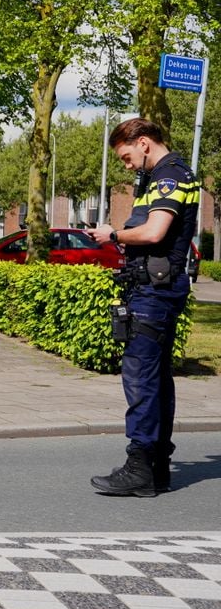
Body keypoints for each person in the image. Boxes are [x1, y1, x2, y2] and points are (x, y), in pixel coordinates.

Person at [88, 118, 199, 497]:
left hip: (154, 292)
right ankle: (156, 465)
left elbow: (154, 232)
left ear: (145, 143)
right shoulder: (164, 177)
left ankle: (139, 466)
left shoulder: (171, 176)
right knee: (156, 379)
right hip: (156, 287)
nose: (127, 164)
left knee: (140, 378)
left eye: (126, 156)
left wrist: (113, 234)